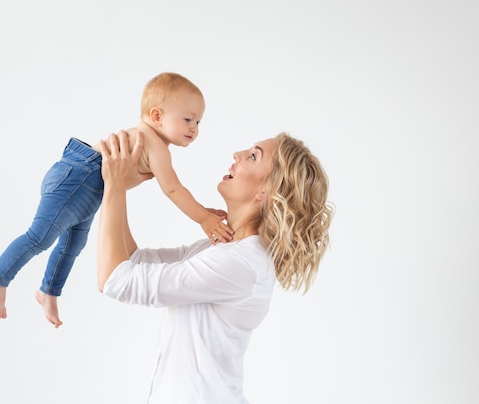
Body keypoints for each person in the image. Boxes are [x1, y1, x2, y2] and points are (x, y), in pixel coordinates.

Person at [96, 130, 333, 404]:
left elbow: (114, 279)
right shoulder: (225, 248)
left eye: (254, 156)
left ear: (265, 192)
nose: (237, 155)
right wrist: (117, 187)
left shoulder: (240, 263)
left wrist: (113, 186)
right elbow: (133, 262)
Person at [0, 72, 234, 328]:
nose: (194, 128)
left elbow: (174, 190)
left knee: (73, 245)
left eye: (199, 122)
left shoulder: (153, 141)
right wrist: (203, 218)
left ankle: (48, 291)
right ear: (157, 116)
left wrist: (203, 211)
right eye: (188, 119)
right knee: (40, 237)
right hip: (80, 177)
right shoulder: (153, 143)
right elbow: (173, 190)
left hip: (88, 186)